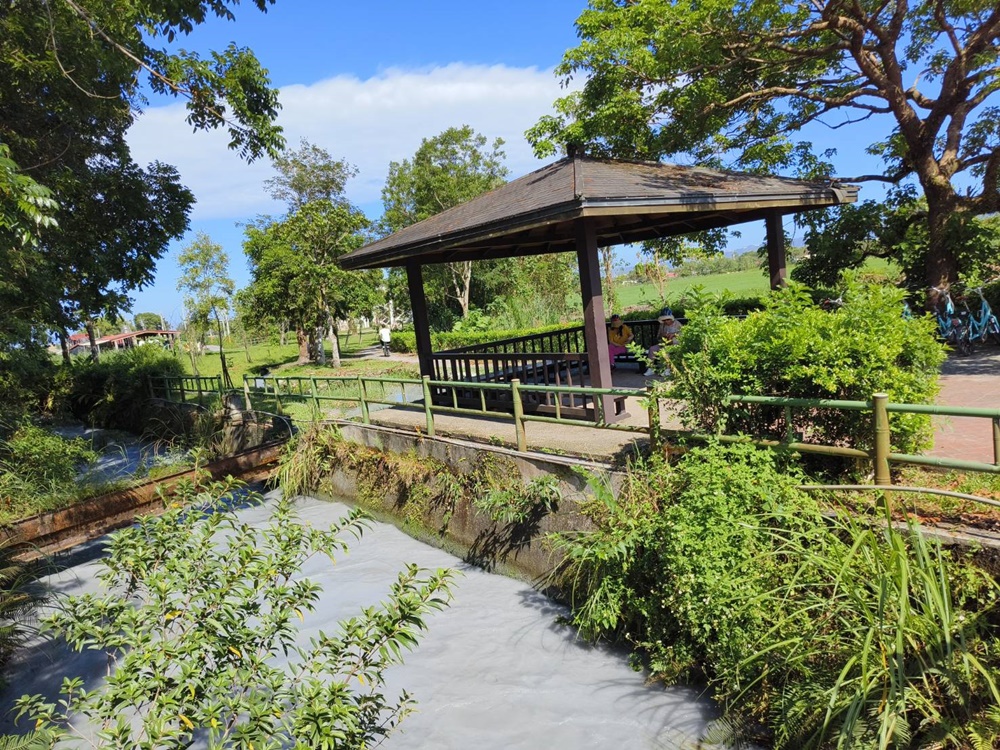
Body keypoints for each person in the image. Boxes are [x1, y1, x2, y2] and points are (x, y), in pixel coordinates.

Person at [645, 308, 682, 377]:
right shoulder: (662, 325)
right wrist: (664, 335)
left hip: (675, 344)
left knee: (666, 351)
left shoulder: (677, 324)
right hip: (664, 343)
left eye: (668, 319)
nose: (666, 321)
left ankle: (667, 370)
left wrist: (674, 335)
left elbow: (682, 334)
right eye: (664, 320)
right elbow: (659, 336)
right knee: (652, 349)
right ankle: (651, 368)